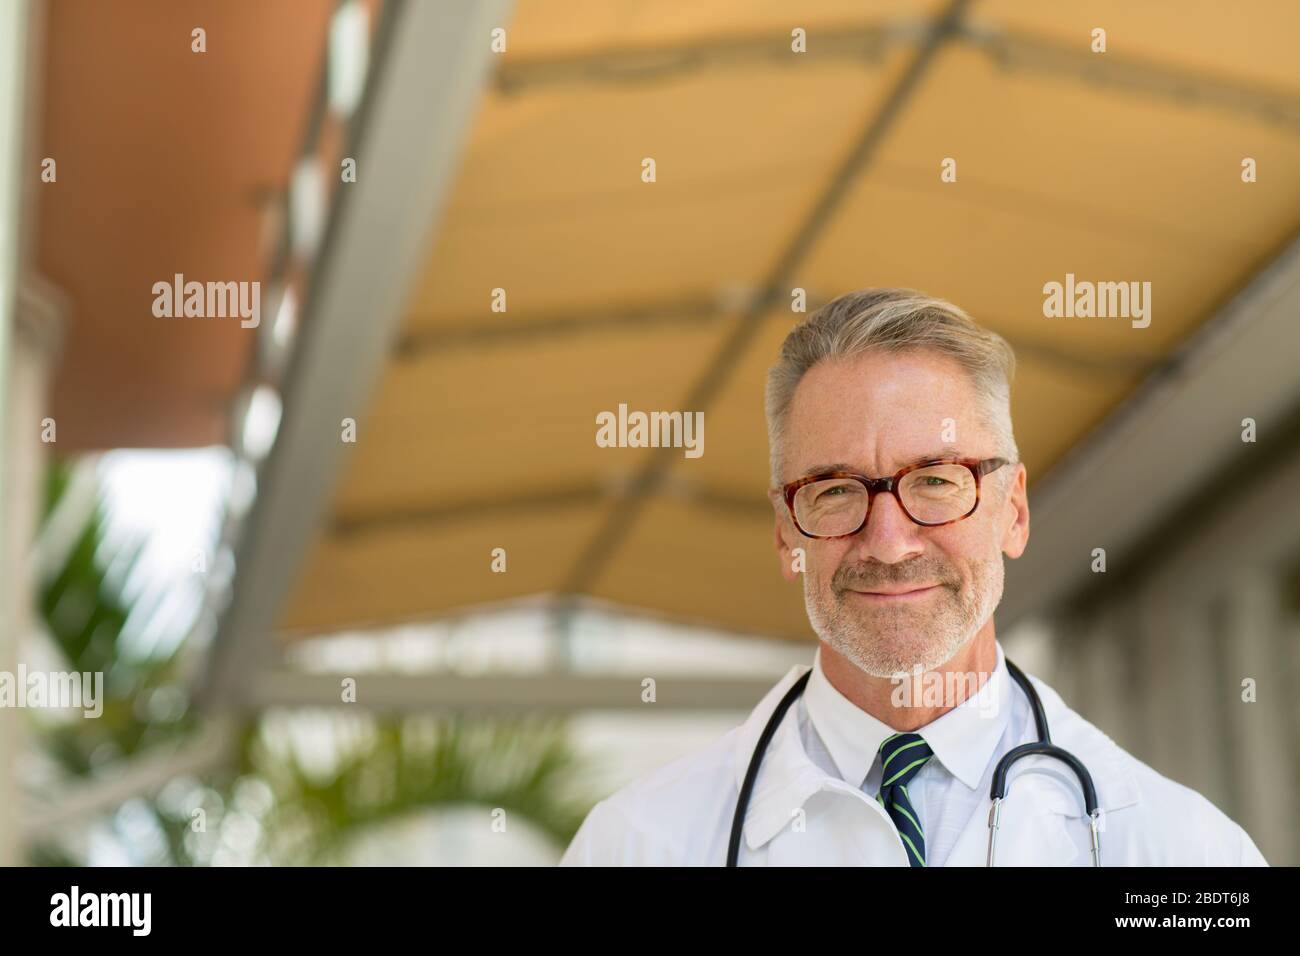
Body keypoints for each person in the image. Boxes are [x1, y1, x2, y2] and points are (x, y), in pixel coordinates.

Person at [559, 288, 1268, 866]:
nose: (890, 543)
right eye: (834, 491)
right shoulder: (638, 846)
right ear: (785, 531)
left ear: (1012, 511)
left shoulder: (1183, 855)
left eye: (935, 480)